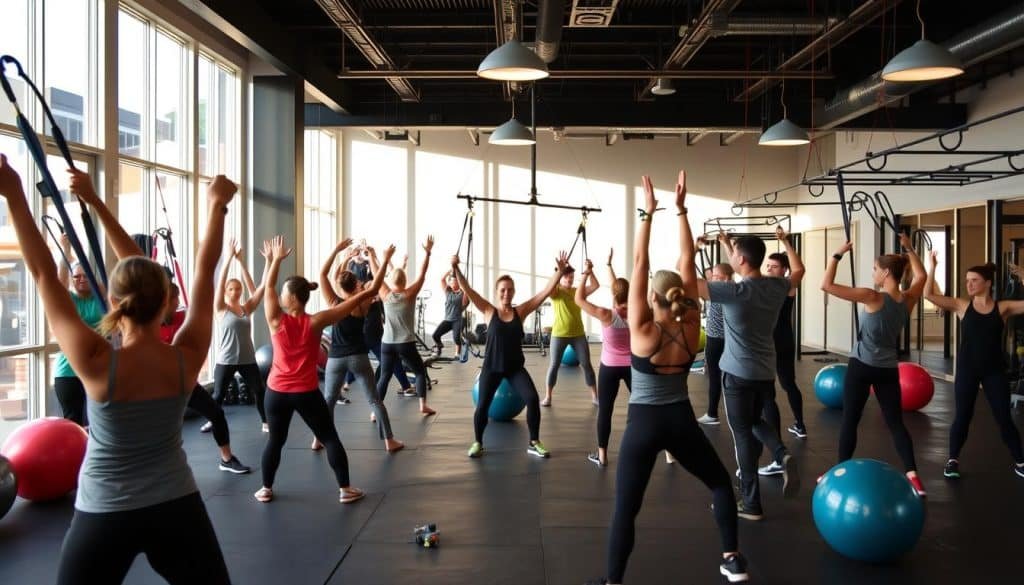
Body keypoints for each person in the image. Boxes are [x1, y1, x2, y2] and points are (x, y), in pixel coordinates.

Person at [0, 155, 235, 584]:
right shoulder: (186, 357)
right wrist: (217, 205)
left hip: (105, 511)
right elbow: (204, 267)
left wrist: (13, 192)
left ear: (114, 303)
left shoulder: (95, 364)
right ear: (167, 304)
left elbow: (41, 274)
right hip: (176, 504)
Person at [585, 172, 748, 585]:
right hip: (680, 421)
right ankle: (732, 559)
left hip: (643, 424)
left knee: (627, 508)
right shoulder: (692, 322)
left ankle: (612, 581)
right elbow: (687, 260)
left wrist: (648, 213)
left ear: (652, 299)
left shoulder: (642, 329)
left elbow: (639, 263)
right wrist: (680, 210)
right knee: (720, 485)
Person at [256, 235, 394, 504]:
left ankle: (265, 488)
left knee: (275, 440)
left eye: (285, 293)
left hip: (276, 392)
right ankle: (345, 489)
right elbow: (368, 292)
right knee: (329, 436)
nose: (281, 296)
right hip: (305, 392)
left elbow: (269, 286)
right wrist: (383, 262)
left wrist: (274, 260)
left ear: (293, 298)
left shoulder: (276, 320)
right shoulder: (317, 320)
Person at [697, 229, 799, 520]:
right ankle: (781, 453)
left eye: (732, 254)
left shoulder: (734, 292)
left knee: (742, 432)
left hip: (737, 374)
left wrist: (691, 247)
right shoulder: (777, 286)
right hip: (765, 372)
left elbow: (687, 280)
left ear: (740, 259)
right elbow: (800, 269)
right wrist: (787, 243)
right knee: (755, 422)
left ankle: (751, 502)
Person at [822, 233, 926, 496]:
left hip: (861, 366)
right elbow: (922, 276)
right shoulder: (908, 299)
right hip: (888, 368)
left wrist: (837, 254)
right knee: (895, 423)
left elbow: (826, 285)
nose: (873, 274)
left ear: (887, 272)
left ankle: (839, 471)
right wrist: (910, 249)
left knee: (850, 420)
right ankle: (913, 475)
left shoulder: (872, 297)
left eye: (875, 269)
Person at [451, 251, 568, 459]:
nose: (507, 293)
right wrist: (456, 268)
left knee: (532, 399)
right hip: (491, 368)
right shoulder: (488, 310)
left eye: (510, 290)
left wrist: (558, 273)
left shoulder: (520, 312)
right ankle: (478, 442)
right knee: (482, 407)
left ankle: (534, 442)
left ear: (513, 292)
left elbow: (543, 294)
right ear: (497, 292)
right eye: (503, 290)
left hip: (515, 368)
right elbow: (467, 288)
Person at [925, 254, 1024, 479]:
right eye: (967, 280)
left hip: (994, 372)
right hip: (968, 371)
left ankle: (1020, 461)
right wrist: (932, 267)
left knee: (1004, 418)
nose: (968, 284)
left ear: (987, 283)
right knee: (962, 417)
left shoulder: (1003, 308)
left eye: (974, 280)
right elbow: (929, 294)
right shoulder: (962, 306)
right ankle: (952, 460)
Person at [318, 240, 404, 453]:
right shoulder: (362, 303)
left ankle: (318, 439)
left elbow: (322, 274)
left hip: (336, 359)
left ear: (340, 286)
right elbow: (376, 284)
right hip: (358, 357)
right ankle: (389, 441)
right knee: (374, 400)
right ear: (356, 284)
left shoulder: (333, 302)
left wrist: (339, 253)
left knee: (328, 401)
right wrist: (384, 259)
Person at [160, 283, 250, 474]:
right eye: (173, 300)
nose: (177, 303)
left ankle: (227, 459)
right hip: (159, 386)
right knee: (163, 429)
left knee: (217, 414)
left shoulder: (181, 317)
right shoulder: (148, 325)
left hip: (185, 381)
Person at [756, 227, 807, 478]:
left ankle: (798, 424)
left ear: (784, 270)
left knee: (787, 383)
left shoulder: (786, 286)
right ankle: (779, 447)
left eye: (774, 266)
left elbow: (799, 269)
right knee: (770, 392)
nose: (769, 269)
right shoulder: (765, 284)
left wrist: (786, 242)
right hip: (768, 341)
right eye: (768, 265)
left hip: (781, 341)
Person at [575, 251, 631, 467]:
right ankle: (668, 454)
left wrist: (587, 273)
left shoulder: (606, 314)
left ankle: (602, 456)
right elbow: (619, 289)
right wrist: (608, 265)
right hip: (633, 367)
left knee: (605, 411)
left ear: (613, 296)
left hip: (609, 367)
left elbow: (579, 299)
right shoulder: (638, 311)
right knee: (647, 407)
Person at [370, 237, 436, 415]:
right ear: (405, 281)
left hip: (387, 343)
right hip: (405, 342)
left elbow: (376, 275)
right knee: (420, 372)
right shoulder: (409, 294)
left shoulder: (385, 294)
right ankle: (422, 406)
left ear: (392, 281)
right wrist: (427, 252)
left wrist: (373, 256)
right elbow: (423, 274)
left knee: (384, 376)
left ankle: (374, 411)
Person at [212, 237, 268, 433]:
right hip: (226, 359)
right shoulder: (220, 309)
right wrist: (228, 259)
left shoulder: (246, 308)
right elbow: (218, 284)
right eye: (231, 289)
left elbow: (261, 288)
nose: (235, 291)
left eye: (238, 288)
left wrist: (241, 262)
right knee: (218, 395)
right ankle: (212, 420)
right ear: (226, 291)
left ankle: (265, 422)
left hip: (247, 359)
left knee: (260, 391)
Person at [52, 234, 105, 427]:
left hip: (96, 367)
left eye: (85, 276)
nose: (81, 280)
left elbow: (104, 286)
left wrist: (80, 259)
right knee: (73, 422)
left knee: (99, 420)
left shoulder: (101, 298)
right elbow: (59, 283)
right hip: (68, 370)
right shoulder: (69, 301)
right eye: (77, 277)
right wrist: (65, 251)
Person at [544, 261, 599, 407]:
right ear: (561, 277)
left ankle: (595, 396)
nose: (570, 279)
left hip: (578, 335)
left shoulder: (577, 292)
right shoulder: (556, 292)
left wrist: (590, 271)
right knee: (554, 365)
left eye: (572, 277)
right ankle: (548, 397)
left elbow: (595, 286)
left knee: (586, 365)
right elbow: (548, 289)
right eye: (567, 276)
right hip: (559, 335)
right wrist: (559, 271)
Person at [697, 261, 733, 426]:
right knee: (718, 377)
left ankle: (713, 414)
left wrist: (695, 249)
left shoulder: (720, 292)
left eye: (716, 276)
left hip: (719, 340)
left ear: (725, 278)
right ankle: (713, 413)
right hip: (722, 340)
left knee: (718, 377)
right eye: (712, 276)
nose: (712, 279)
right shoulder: (730, 290)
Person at [431, 268, 469, 358]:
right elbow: (442, 279)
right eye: (451, 281)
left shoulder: (463, 293)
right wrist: (450, 270)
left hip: (457, 320)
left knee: (456, 338)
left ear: (459, 283)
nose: (453, 283)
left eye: (455, 281)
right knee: (435, 335)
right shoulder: (448, 292)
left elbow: (465, 302)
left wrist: (463, 284)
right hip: (447, 320)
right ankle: (439, 347)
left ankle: (457, 354)